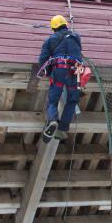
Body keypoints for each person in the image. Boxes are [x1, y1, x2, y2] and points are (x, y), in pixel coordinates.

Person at [38, 14, 83, 142]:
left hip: (59, 71)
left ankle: (53, 120)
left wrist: (47, 73)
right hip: (75, 72)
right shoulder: (76, 37)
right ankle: (62, 129)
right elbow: (78, 52)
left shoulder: (50, 40)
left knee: (53, 101)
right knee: (72, 100)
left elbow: (42, 59)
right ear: (65, 24)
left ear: (54, 28)